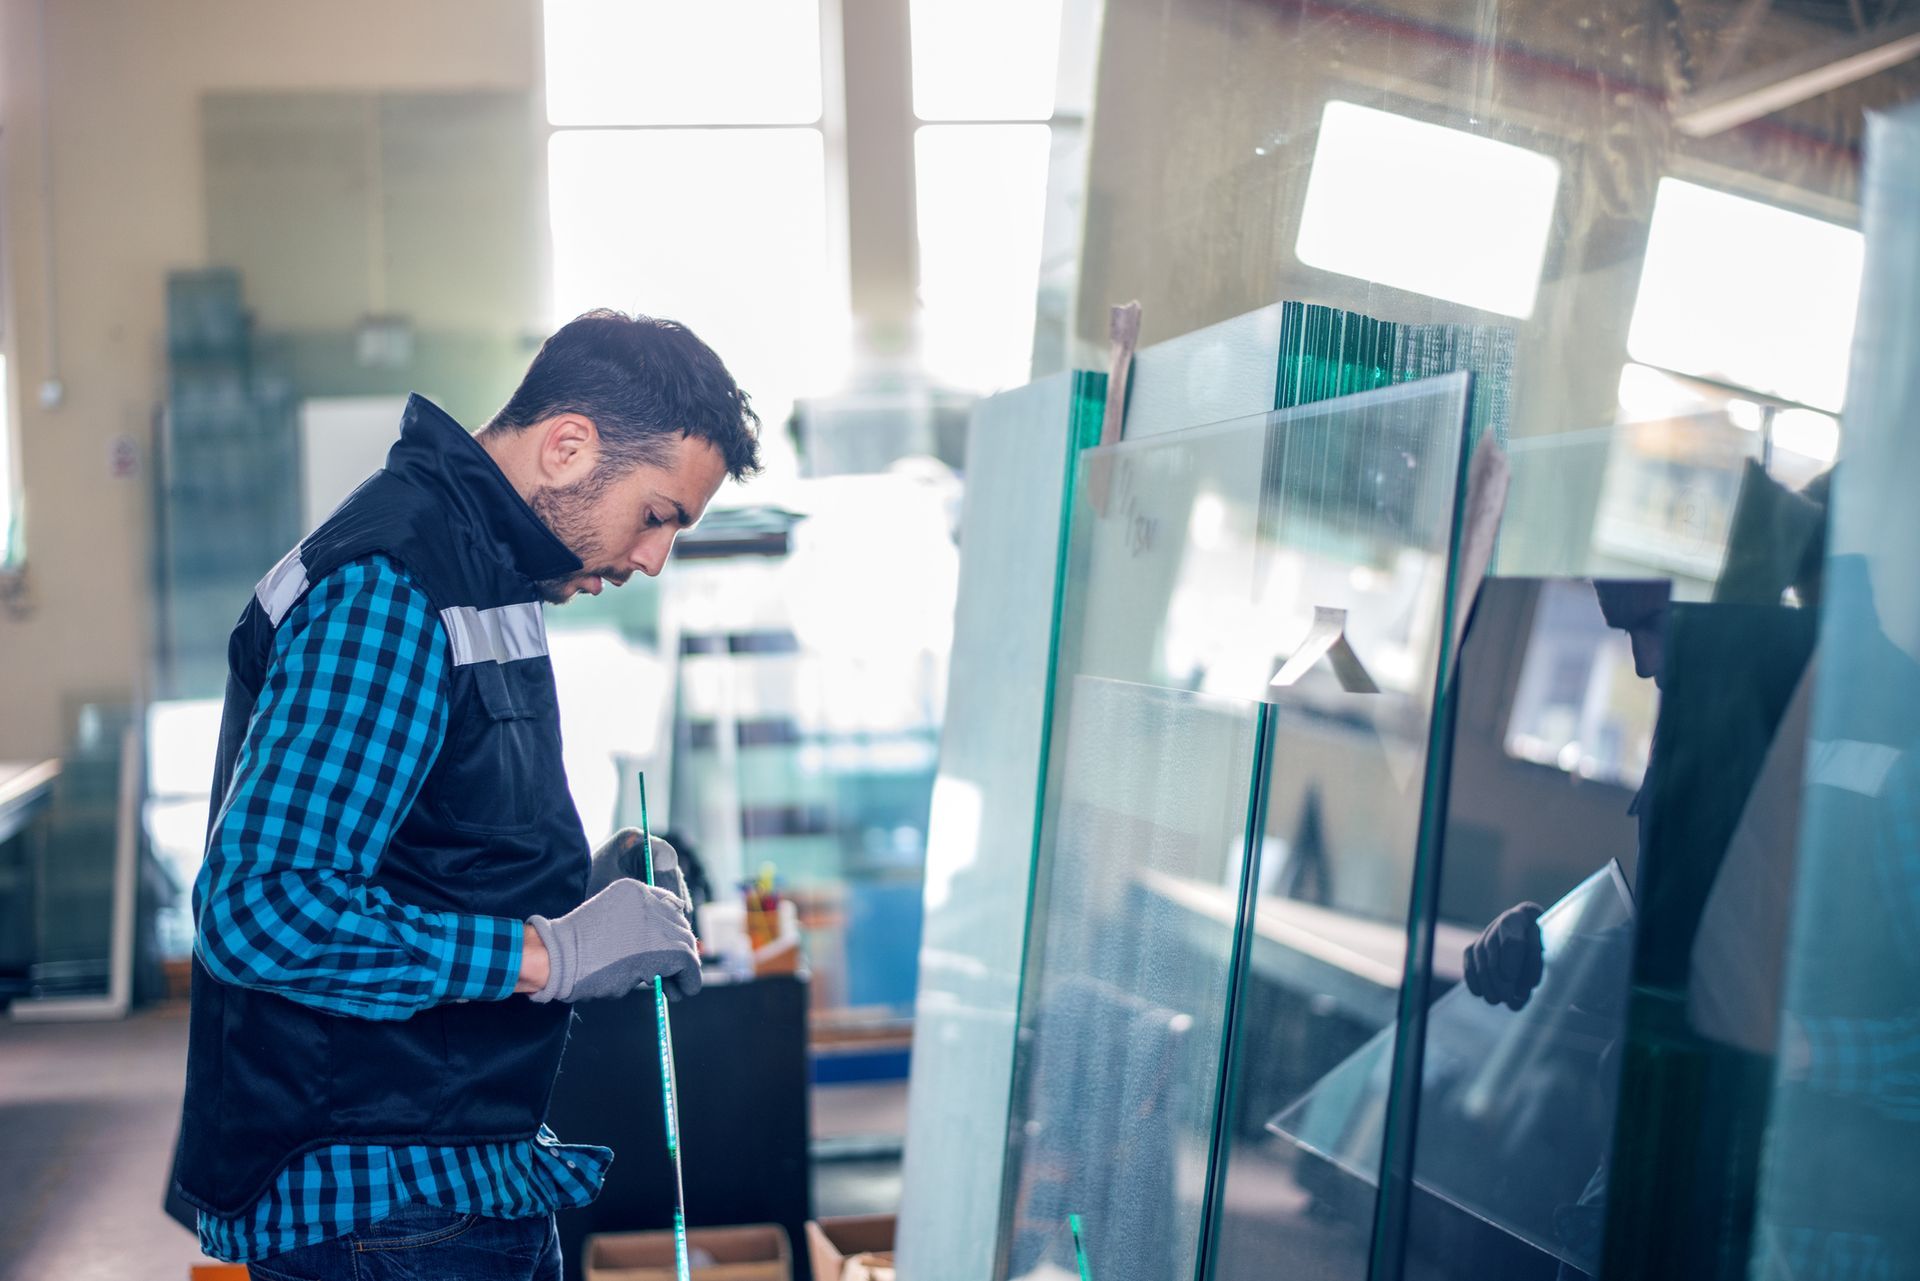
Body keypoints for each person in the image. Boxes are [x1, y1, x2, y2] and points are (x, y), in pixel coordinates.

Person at [169, 310, 762, 1281]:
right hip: (381, 1198)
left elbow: (424, 831)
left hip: (449, 1166)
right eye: (658, 515)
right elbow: (260, 910)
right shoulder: (392, 585)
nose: (654, 558)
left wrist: (575, 884)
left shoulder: (483, 569)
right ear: (568, 446)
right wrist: (552, 951)